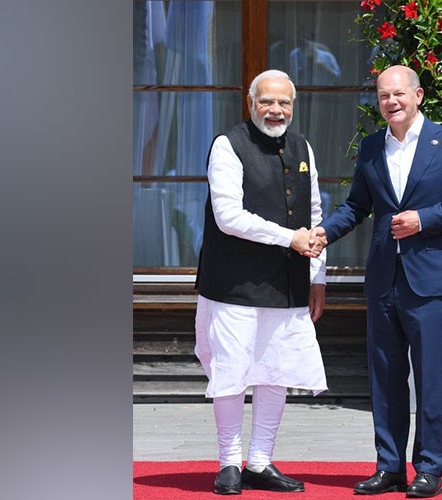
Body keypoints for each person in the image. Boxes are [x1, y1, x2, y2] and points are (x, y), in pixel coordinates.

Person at [313, 65, 442, 498]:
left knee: (431, 380)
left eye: (398, 94)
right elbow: (356, 205)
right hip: (384, 279)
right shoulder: (372, 147)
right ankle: (389, 467)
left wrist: (424, 219)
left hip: (431, 281)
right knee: (385, 380)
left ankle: (428, 468)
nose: (391, 102)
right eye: (383, 95)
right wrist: (323, 233)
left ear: (418, 95)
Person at [194, 69, 328, 495]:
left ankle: (260, 461)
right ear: (251, 104)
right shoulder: (227, 146)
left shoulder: (303, 146)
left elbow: (315, 215)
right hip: (233, 282)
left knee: (277, 371)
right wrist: (290, 238)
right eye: (267, 101)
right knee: (232, 371)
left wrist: (318, 278)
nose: (276, 110)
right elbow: (228, 216)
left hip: (287, 281)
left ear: (294, 105)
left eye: (284, 102)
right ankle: (229, 462)